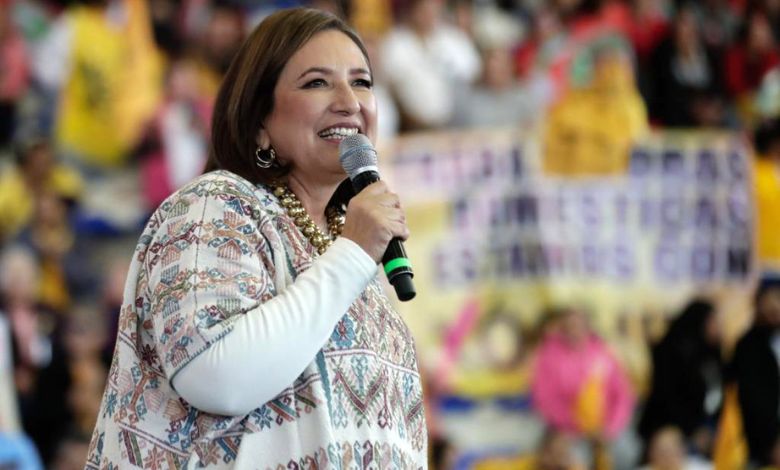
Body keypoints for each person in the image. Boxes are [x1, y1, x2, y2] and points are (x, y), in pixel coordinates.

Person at [86, 8, 427, 468]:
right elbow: (218, 375)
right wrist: (353, 254)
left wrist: (352, 254)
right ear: (259, 121)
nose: (350, 101)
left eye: (362, 82)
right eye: (317, 82)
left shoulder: (350, 255)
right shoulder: (215, 206)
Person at [638, 299, 723, 457]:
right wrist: (692, 430)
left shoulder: (713, 353)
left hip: (708, 428)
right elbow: (667, 397)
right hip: (673, 429)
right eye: (713, 321)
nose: (718, 327)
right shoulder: (672, 351)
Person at [729, 273, 780, 467]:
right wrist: (772, 442)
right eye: (769, 299)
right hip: (761, 444)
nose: (775, 306)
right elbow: (752, 398)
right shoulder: (748, 345)